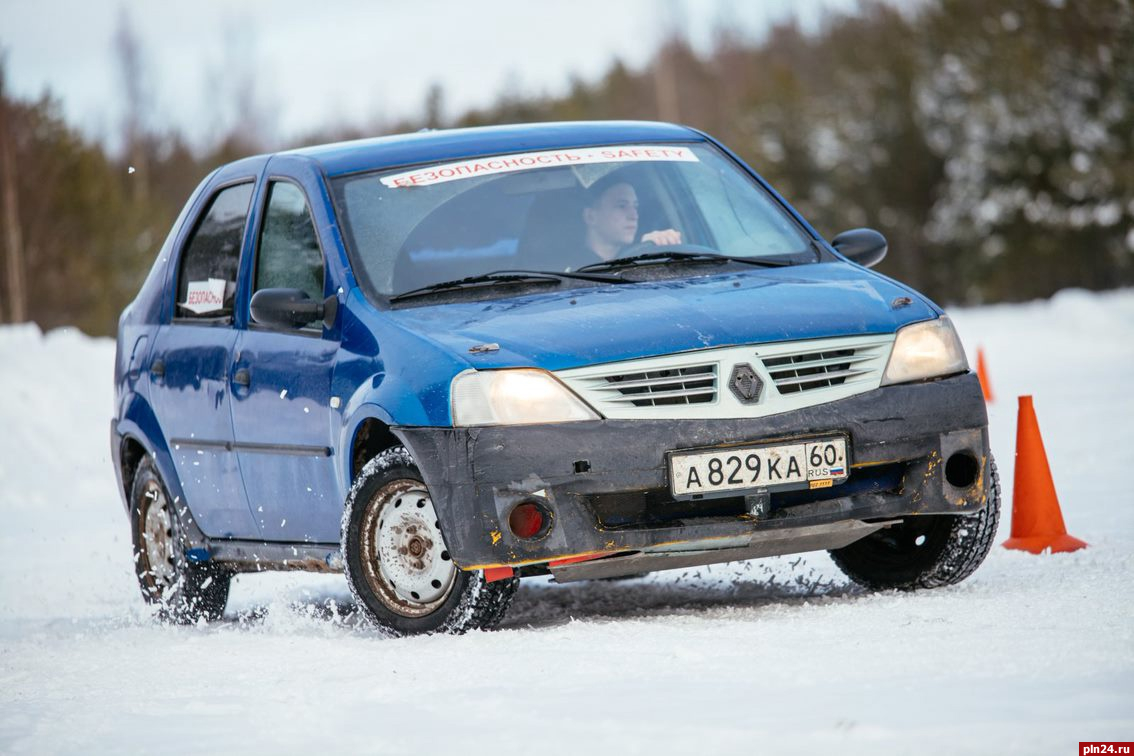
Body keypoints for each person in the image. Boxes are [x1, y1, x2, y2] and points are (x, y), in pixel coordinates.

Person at [581, 177, 681, 262]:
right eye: (621, 206)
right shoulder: (570, 272)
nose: (634, 216)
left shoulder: (642, 257)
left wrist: (651, 249)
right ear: (591, 217)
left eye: (635, 206)